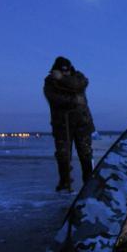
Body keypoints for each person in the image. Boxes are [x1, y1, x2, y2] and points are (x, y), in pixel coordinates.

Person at [43, 56, 95, 192]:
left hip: (82, 123)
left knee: (86, 153)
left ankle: (88, 180)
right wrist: (74, 99)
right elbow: (55, 99)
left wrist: (62, 79)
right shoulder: (49, 82)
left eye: (67, 71)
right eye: (62, 71)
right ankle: (65, 181)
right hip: (62, 124)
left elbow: (80, 85)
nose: (65, 73)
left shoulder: (79, 77)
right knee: (63, 154)